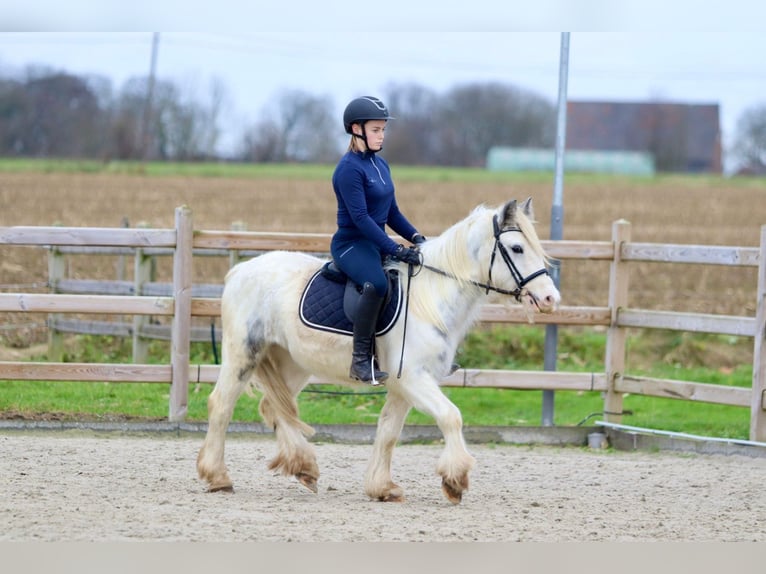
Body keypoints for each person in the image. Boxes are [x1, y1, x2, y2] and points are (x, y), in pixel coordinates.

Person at [330, 96, 425, 385]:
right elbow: (361, 219)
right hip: (351, 244)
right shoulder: (348, 169)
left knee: (415, 277)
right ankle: (360, 361)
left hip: (374, 242)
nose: (381, 135)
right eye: (375, 129)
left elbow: (391, 212)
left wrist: (416, 237)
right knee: (378, 284)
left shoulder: (381, 166)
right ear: (356, 129)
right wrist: (394, 248)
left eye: (383, 129)